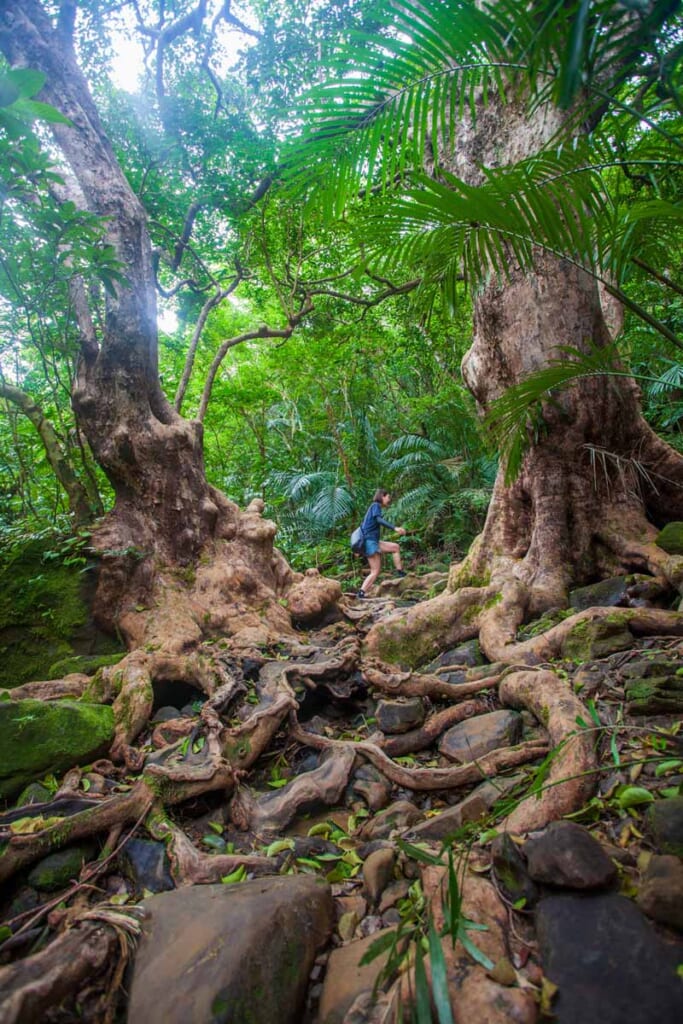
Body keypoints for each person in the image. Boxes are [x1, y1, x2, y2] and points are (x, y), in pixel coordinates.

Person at [356, 488, 407, 598]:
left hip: (373, 541)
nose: (389, 500)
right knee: (375, 571)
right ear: (382, 496)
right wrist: (395, 528)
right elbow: (378, 520)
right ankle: (361, 593)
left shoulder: (375, 507)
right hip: (369, 542)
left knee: (395, 547)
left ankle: (400, 572)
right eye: (388, 497)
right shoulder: (375, 506)